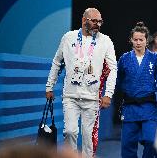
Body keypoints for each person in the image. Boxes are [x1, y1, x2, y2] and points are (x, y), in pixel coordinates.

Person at [45, 8, 117, 157]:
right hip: (70, 95)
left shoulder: (105, 41)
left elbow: (113, 69)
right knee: (70, 132)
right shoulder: (68, 37)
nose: (98, 24)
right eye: (94, 21)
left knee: (88, 137)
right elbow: (57, 62)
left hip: (92, 97)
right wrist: (49, 86)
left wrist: (108, 94)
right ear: (84, 20)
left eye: (100, 21)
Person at [117, 21, 157, 158]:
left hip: (149, 107)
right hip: (130, 108)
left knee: (152, 141)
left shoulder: (155, 59)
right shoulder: (124, 59)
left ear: (147, 40)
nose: (138, 42)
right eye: (135, 39)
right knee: (127, 146)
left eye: (141, 39)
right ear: (131, 40)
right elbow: (117, 80)